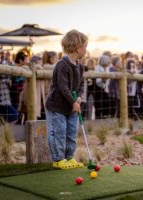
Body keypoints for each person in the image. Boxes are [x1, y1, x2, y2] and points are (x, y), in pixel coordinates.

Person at [45, 29, 87, 169]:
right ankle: (58, 159)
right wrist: (73, 102)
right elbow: (63, 88)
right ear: (79, 48)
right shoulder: (62, 65)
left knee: (71, 132)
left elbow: (81, 84)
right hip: (58, 105)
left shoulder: (80, 67)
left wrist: (79, 98)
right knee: (59, 132)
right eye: (85, 46)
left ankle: (69, 157)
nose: (86, 49)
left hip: (72, 106)